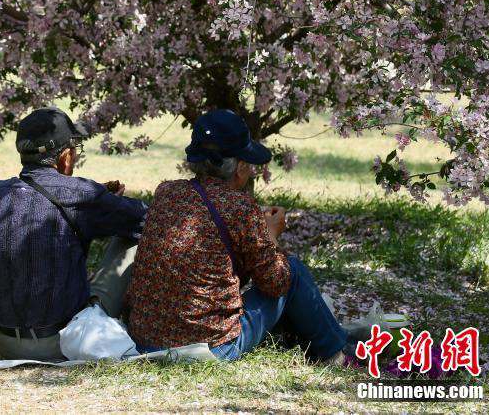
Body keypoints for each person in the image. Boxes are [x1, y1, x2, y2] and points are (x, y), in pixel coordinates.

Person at [126, 109, 357, 366]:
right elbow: (276, 283)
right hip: (210, 349)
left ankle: (335, 339)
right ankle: (337, 353)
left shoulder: (166, 192)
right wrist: (269, 236)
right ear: (240, 167)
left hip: (146, 341)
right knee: (294, 271)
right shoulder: (240, 208)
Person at [0, 107, 148, 361]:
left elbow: (43, 202)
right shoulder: (82, 195)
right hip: (61, 343)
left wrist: (99, 200)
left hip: (3, 342)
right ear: (66, 157)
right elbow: (143, 218)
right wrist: (104, 202)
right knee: (133, 237)